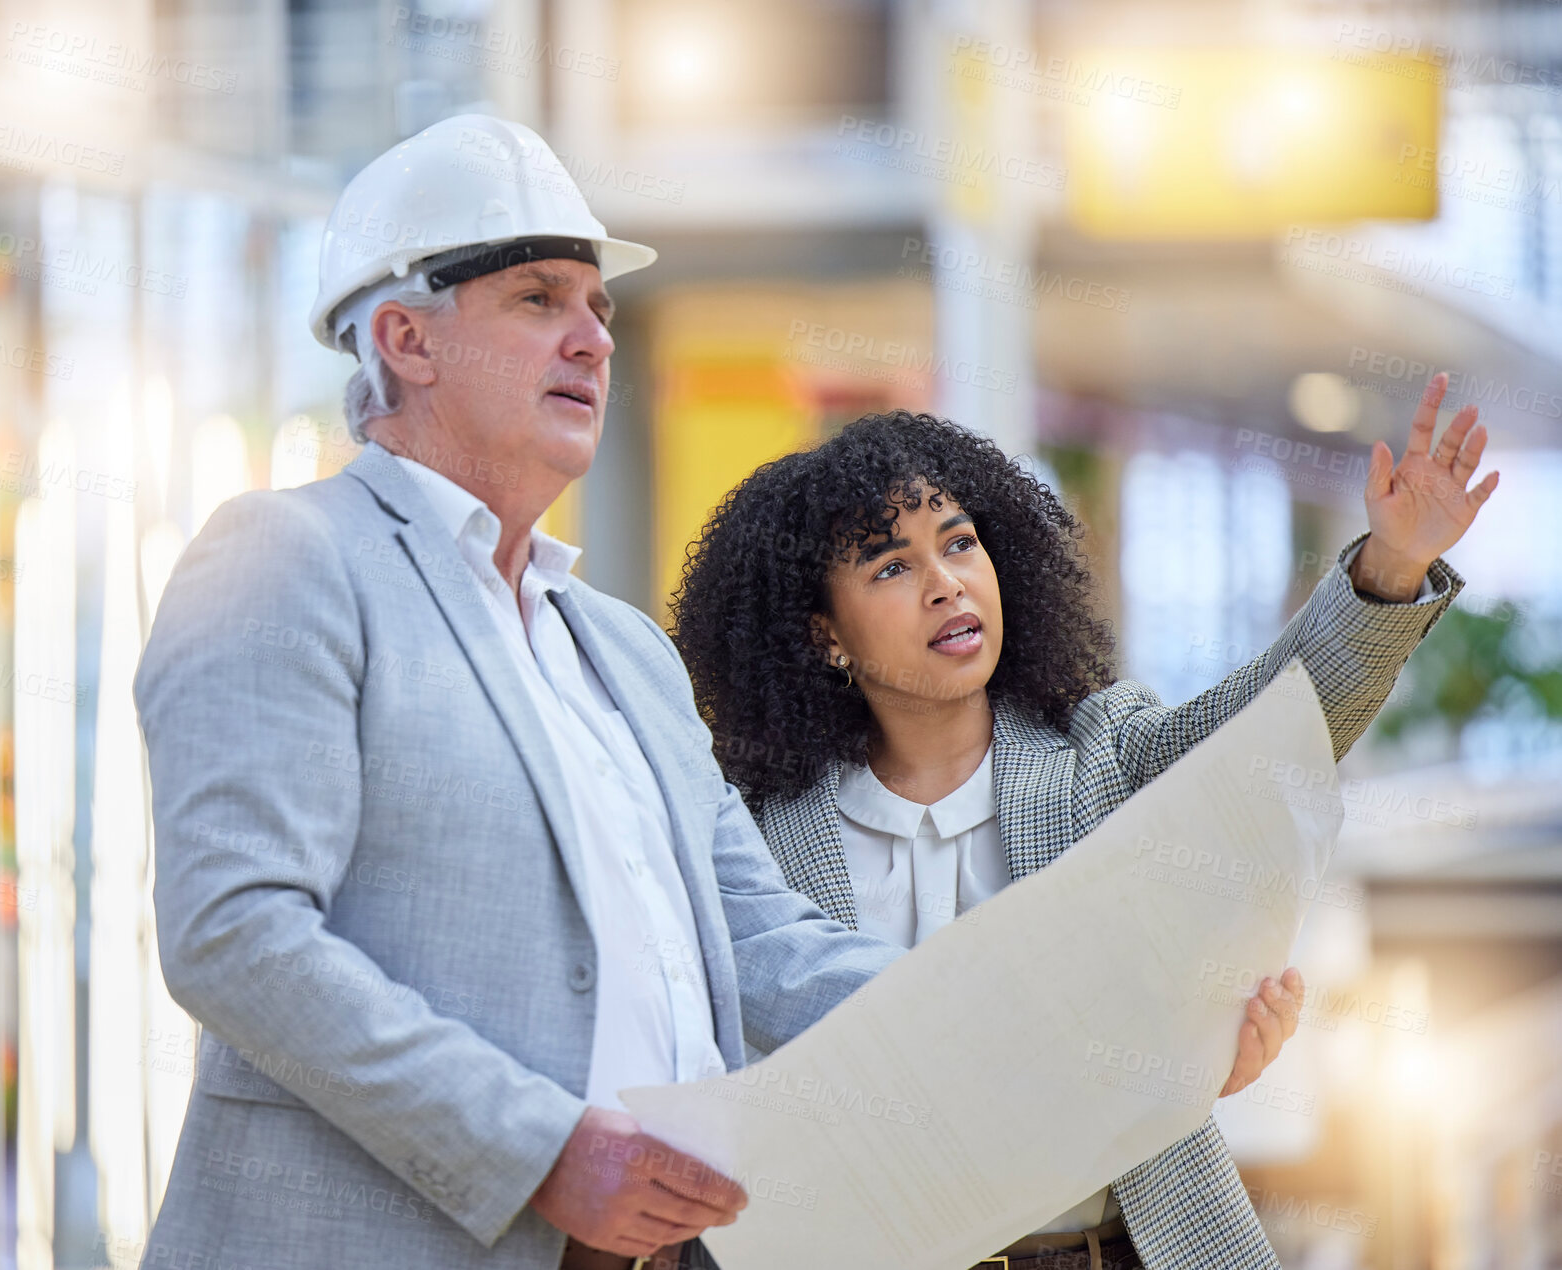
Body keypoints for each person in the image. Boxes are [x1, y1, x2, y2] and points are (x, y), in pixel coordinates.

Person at [133, 114, 1297, 1270]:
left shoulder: (619, 649)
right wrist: (540, 1150)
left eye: (599, 306)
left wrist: (1125, 1039)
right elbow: (236, 936)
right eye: (539, 298)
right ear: (405, 338)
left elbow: (767, 945)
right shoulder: (289, 560)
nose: (591, 337)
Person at [670, 395, 1495, 1269]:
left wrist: (1393, 563)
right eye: (888, 568)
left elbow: (1282, 724)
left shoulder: (1103, 755)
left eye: (958, 542)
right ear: (822, 633)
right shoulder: (755, 840)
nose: (946, 582)